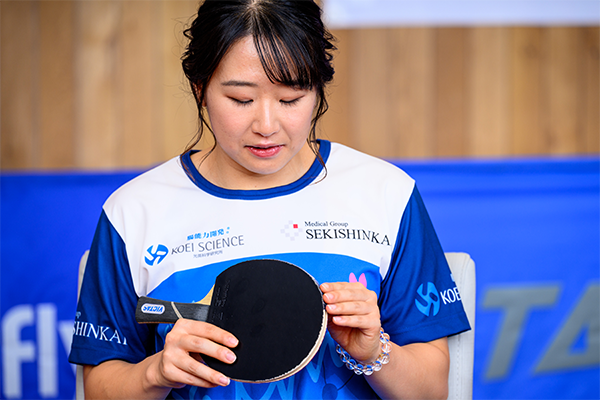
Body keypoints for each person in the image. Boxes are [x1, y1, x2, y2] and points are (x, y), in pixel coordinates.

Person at [69, 1, 471, 399]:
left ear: (317, 90)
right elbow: (100, 387)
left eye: (290, 99)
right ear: (201, 89)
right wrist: (155, 373)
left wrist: (374, 351)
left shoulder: (386, 192)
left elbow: (430, 390)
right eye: (241, 100)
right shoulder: (133, 211)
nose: (266, 125)